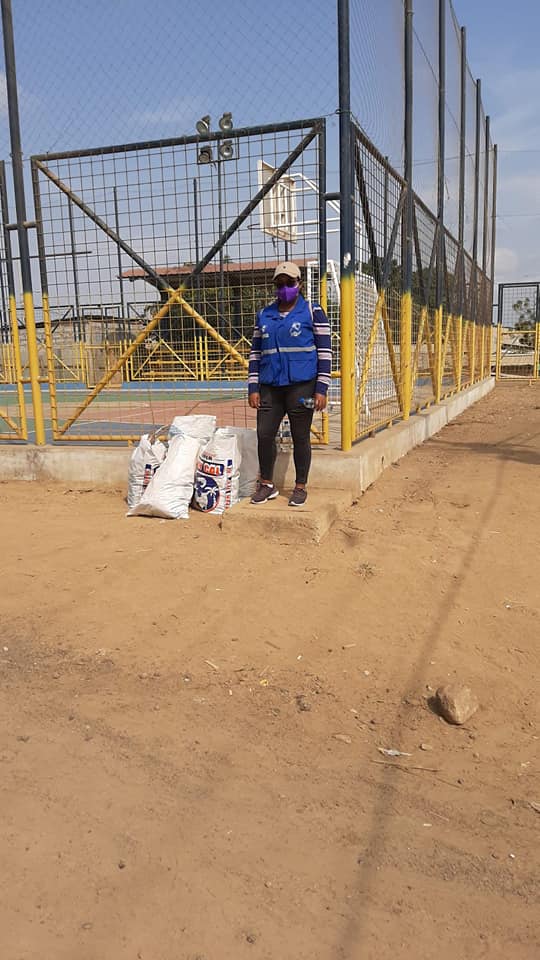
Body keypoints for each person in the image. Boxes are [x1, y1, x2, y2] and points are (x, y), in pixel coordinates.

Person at [248, 261, 332, 507]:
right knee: (264, 434)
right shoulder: (264, 315)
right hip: (270, 386)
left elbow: (325, 352)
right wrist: (253, 387)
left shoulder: (312, 312)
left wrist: (321, 388)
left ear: (299, 284)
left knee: (300, 436)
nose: (284, 288)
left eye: (289, 283)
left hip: (302, 386)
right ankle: (267, 484)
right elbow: (255, 354)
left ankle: (300, 487)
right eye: (280, 284)